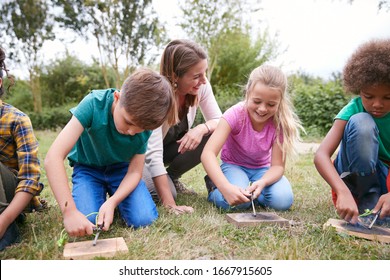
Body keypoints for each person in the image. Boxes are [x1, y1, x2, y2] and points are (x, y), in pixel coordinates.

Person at [44, 68, 176, 237]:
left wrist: (113, 202)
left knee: (144, 219)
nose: (131, 132)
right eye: (128, 122)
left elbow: (135, 172)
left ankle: (115, 202)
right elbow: (53, 157)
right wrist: (69, 211)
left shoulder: (145, 125)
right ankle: (98, 197)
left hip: (121, 170)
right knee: (86, 221)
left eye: (140, 129)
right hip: (88, 169)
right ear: (117, 98)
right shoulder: (92, 104)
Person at [201, 64, 304, 211]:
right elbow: (208, 154)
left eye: (271, 104)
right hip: (234, 165)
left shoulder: (280, 123)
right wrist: (225, 187)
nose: (262, 109)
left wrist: (262, 182)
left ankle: (253, 195)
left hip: (262, 169)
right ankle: (215, 190)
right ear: (248, 93)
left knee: (282, 201)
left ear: (280, 101)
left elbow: (277, 166)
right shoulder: (234, 115)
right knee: (238, 203)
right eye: (257, 101)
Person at [314, 38, 390, 226]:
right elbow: (321, 155)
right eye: (369, 96)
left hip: (385, 179)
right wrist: (342, 191)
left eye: (388, 97)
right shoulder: (353, 110)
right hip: (353, 181)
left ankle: (378, 203)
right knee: (361, 122)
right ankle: (364, 199)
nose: (377, 104)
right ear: (358, 89)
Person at [143, 39, 222, 214]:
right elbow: (153, 155)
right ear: (174, 76)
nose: (203, 81)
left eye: (204, 73)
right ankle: (156, 182)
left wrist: (202, 128)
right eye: (196, 76)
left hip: (169, 149)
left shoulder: (201, 86)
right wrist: (170, 203)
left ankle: (172, 177)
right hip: (141, 156)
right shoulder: (157, 96)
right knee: (165, 193)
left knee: (212, 133)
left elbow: (221, 121)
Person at [0, 47, 45, 251]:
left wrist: (5, 219)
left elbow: (29, 179)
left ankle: (7, 228)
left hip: (10, 198)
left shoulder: (17, 119)